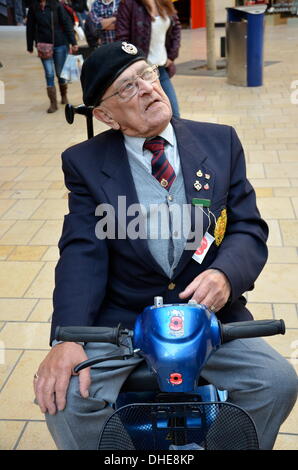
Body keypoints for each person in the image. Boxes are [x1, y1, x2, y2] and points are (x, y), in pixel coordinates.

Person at [33, 42, 297, 450]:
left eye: (148, 74)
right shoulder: (84, 163)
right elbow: (82, 251)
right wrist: (65, 338)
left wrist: (225, 275)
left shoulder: (219, 142)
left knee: (277, 383)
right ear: (104, 115)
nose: (146, 89)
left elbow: (248, 227)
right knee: (65, 399)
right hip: (122, 320)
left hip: (207, 317)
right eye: (126, 88)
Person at [116, 0, 181, 118]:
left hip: (161, 70)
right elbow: (122, 38)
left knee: (174, 114)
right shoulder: (129, 4)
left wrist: (172, 55)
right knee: (145, 117)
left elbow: (176, 27)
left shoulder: (163, 2)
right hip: (140, 73)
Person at [26, 0, 78, 113]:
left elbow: (66, 23)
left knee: (60, 73)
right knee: (49, 74)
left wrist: (73, 42)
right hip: (44, 45)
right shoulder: (33, 7)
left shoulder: (56, 5)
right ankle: (53, 103)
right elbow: (30, 26)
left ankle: (64, 96)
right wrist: (29, 45)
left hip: (60, 44)